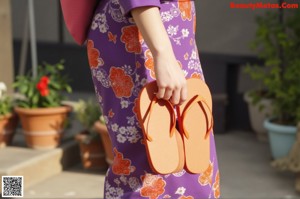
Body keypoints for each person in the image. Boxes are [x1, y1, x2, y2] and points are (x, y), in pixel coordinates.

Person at [86, 0, 220, 198]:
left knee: (193, 153)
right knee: (156, 162)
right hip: (142, 31)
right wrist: (162, 53)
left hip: (167, 28)